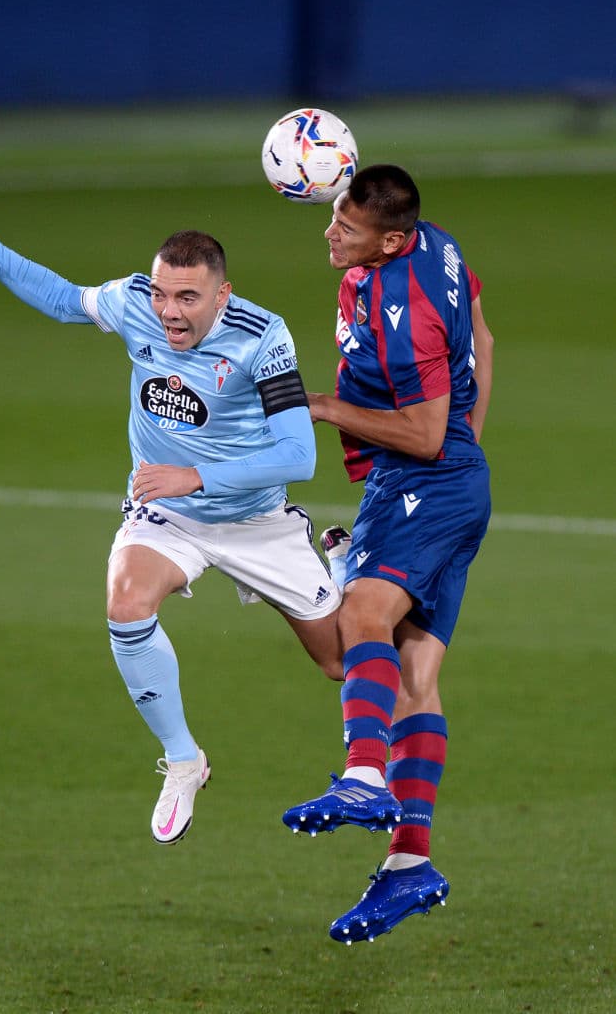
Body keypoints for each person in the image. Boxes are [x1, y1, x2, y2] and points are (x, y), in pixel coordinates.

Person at [0, 218, 343, 846]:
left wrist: (196, 476)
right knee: (126, 602)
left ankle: (342, 564)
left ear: (223, 294)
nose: (169, 312)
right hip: (168, 510)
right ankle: (183, 759)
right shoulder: (133, 303)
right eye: (161, 294)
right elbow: (64, 299)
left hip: (254, 519)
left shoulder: (263, 336)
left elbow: (299, 456)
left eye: (187, 298)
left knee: (341, 662)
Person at [281, 164, 493, 943]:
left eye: (346, 227)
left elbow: (425, 435)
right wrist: (470, 447)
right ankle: (409, 865)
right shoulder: (437, 246)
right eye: (335, 217)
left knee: (355, 623)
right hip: (450, 484)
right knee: (413, 679)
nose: (330, 232)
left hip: (421, 482)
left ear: (392, 241)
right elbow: (482, 335)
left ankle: (365, 776)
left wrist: (320, 406)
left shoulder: (404, 309)